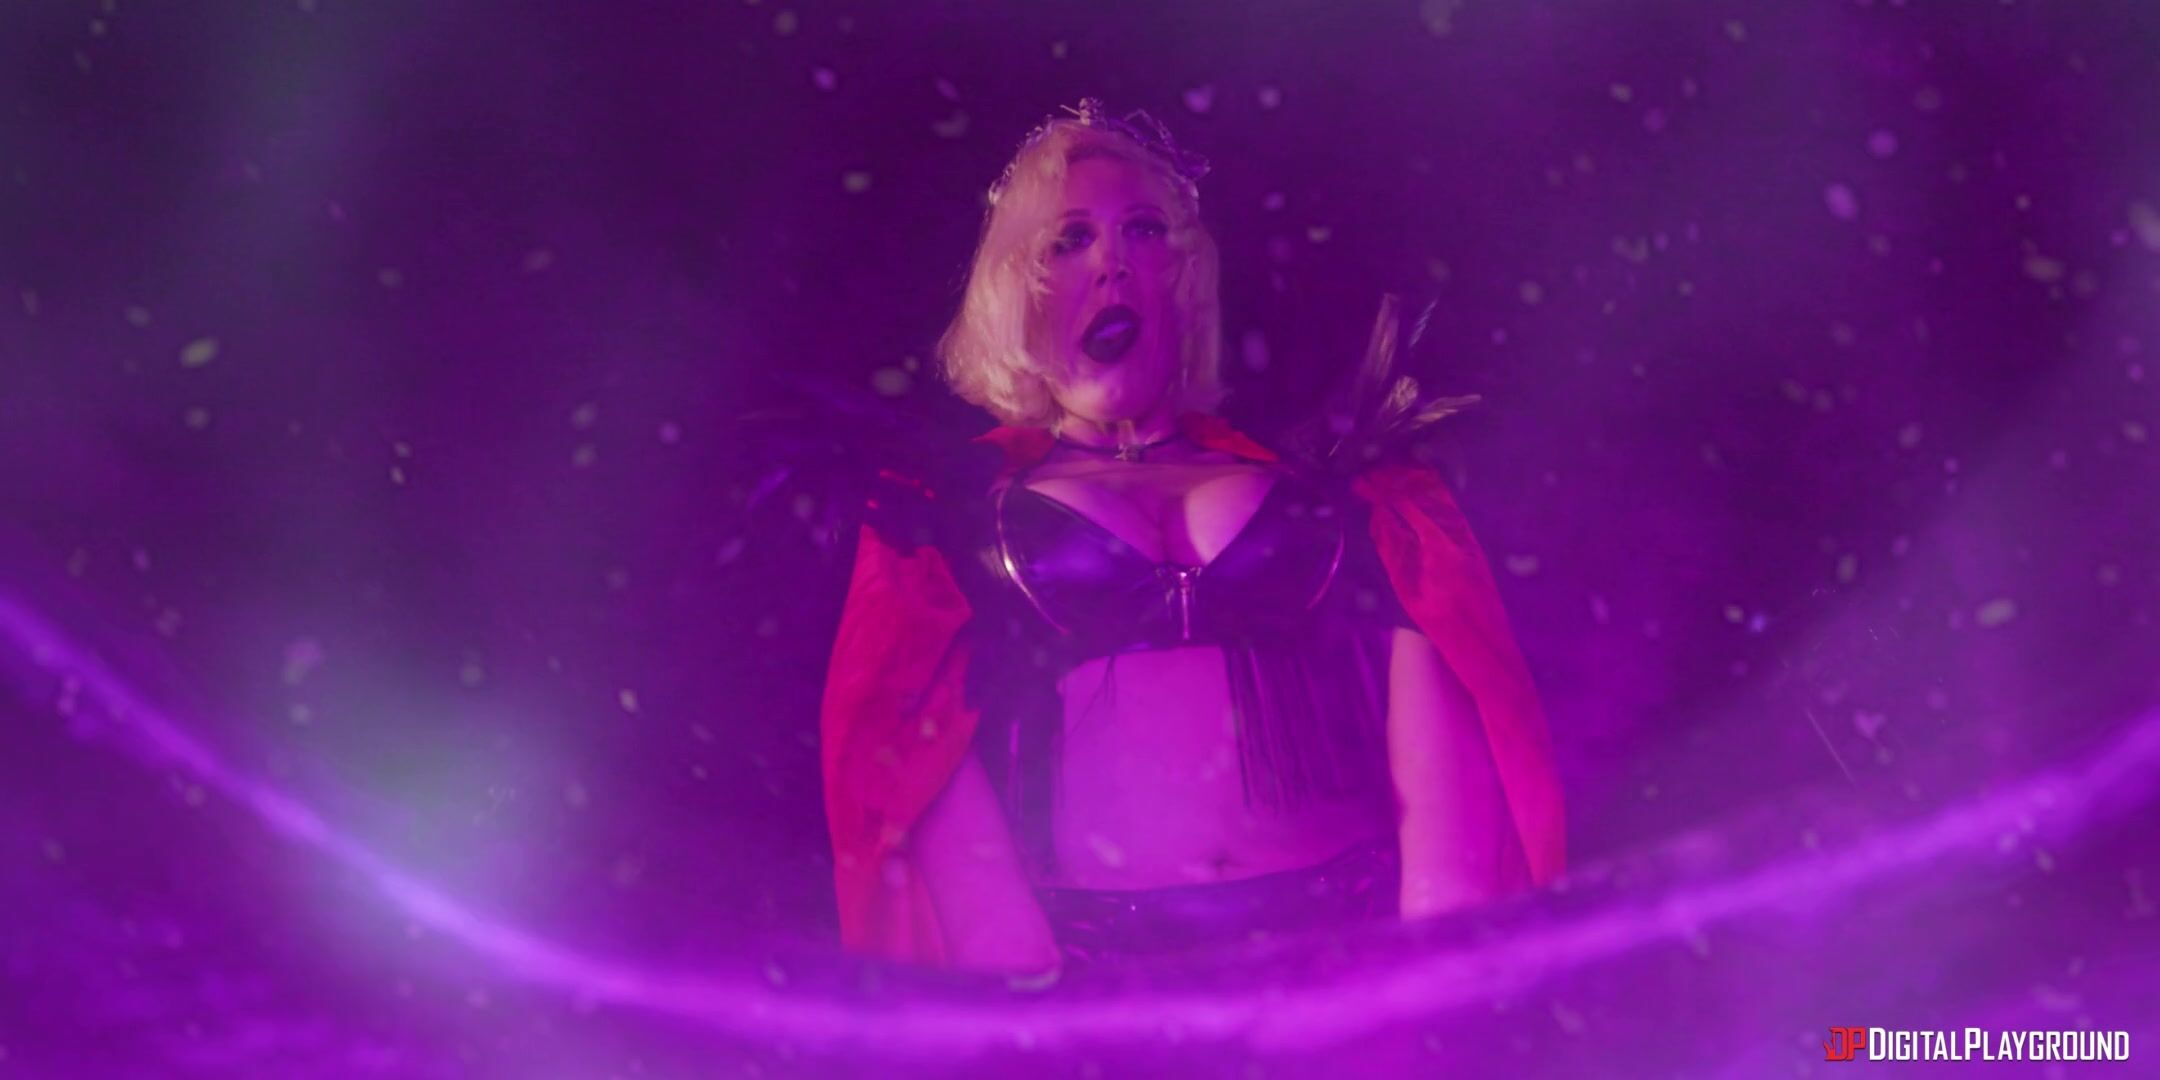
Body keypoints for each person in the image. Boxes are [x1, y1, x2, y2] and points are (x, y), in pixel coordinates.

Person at [818, 99, 1564, 976]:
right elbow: (911, 745)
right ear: (1020, 287)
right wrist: (1026, 983)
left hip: (1337, 935)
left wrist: (1434, 954)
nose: (1113, 263)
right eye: (1070, 240)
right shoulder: (951, 518)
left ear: (1184, 269)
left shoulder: (1335, 492)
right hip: (1104, 967)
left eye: (1143, 229)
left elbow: (1435, 668)